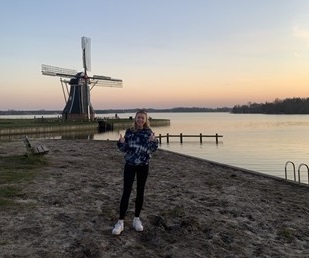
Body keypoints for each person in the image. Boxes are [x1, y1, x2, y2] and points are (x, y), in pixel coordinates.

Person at [112, 109, 159, 235]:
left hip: (143, 165)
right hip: (130, 165)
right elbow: (124, 148)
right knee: (126, 191)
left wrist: (153, 141)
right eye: (138, 117)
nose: (140, 120)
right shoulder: (130, 131)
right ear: (135, 118)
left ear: (145, 120)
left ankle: (136, 219)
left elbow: (153, 149)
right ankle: (120, 221)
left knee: (140, 192)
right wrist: (121, 143)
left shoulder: (149, 132)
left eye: (142, 118)